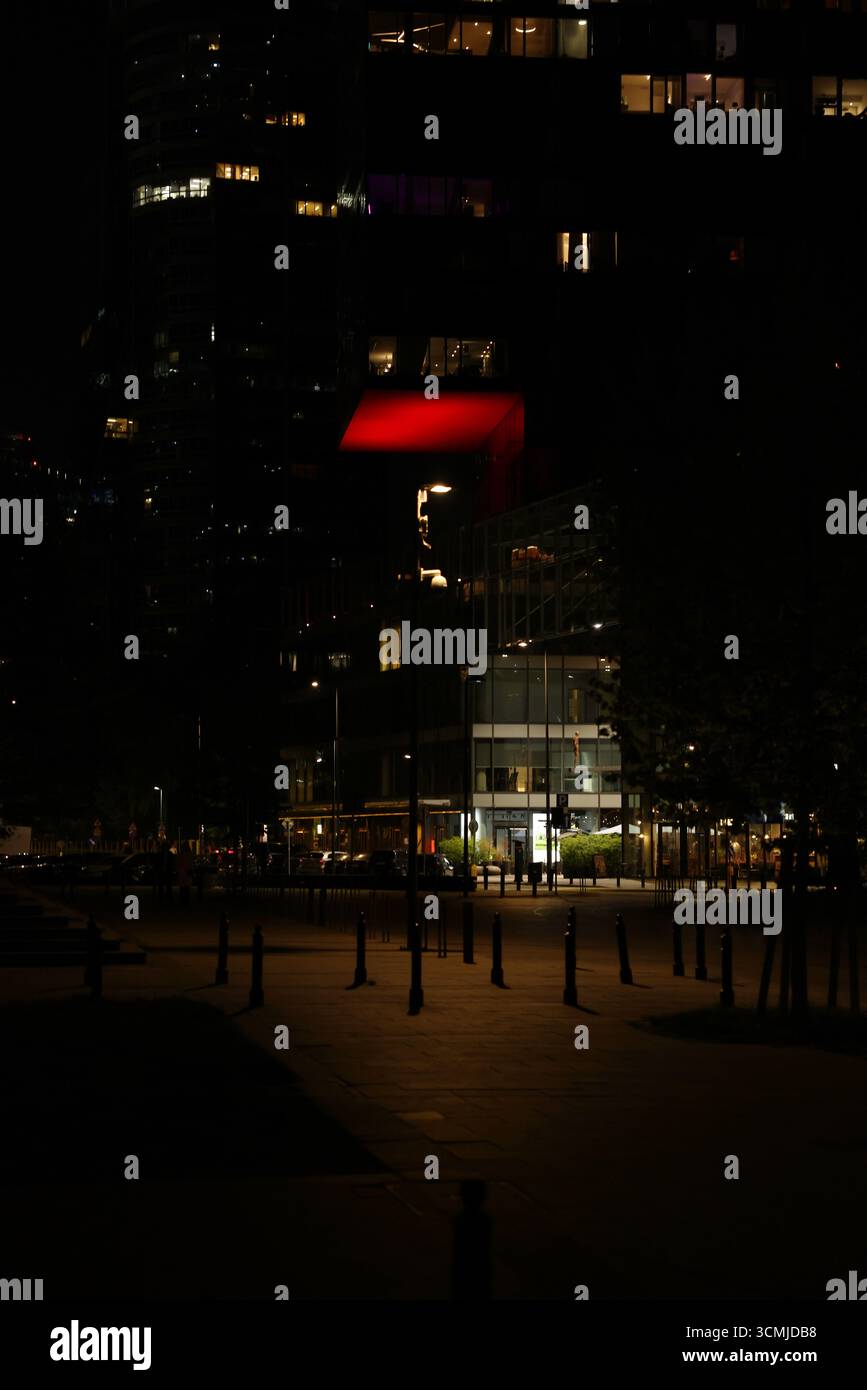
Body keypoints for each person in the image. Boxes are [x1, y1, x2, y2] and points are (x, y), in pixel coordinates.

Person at [177, 841, 194, 907]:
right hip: (184, 872)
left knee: (185, 887)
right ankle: (184, 901)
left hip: (185, 872)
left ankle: (185, 901)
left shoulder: (186, 854)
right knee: (184, 887)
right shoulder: (185, 854)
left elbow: (190, 864)